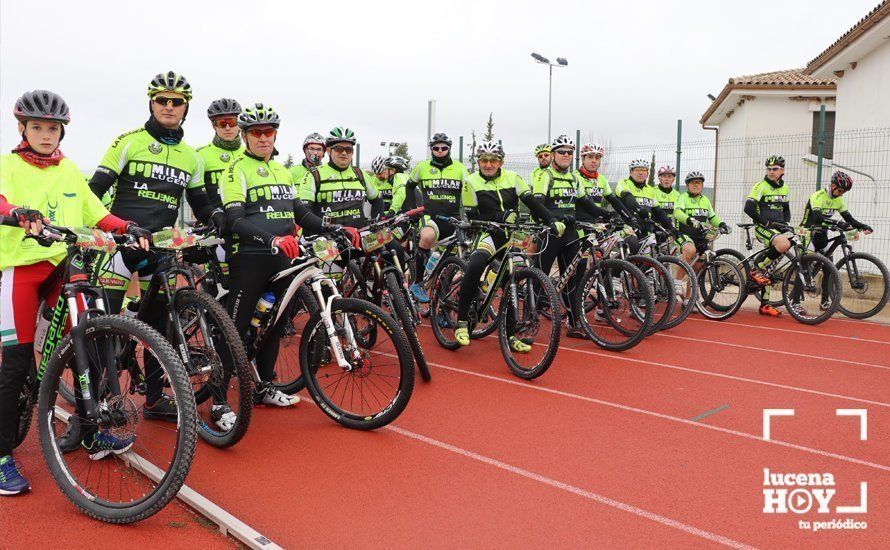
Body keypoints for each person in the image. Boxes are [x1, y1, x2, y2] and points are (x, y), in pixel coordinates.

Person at [0, 90, 151, 495]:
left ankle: (90, 430)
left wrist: (126, 228)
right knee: (15, 361)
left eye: (53, 128)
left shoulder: (69, 170)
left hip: (63, 266)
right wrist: (16, 213)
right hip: (21, 268)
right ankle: (1, 457)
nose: (46, 135)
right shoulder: (8, 164)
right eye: (37, 127)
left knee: (91, 339)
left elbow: (96, 213)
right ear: (23, 129)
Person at [88, 71, 218, 420]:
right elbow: (95, 190)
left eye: (177, 102)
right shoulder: (128, 141)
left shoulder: (192, 156)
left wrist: (218, 217)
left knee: (162, 327)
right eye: (162, 100)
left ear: (186, 108)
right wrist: (91, 226)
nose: (169, 106)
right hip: (119, 243)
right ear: (151, 102)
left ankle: (155, 399)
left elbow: (200, 202)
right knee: (104, 325)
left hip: (159, 248)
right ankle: (95, 405)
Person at [221, 103, 327, 409]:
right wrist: (273, 239)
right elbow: (235, 221)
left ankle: (264, 386)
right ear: (244, 135)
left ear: (276, 134)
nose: (263, 137)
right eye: (256, 132)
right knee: (236, 327)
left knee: (275, 324)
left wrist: (334, 227)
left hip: (282, 256)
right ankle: (218, 402)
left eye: (269, 131)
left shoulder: (282, 171)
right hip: (250, 256)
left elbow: (301, 213)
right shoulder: (236, 169)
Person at [453, 142, 561, 349]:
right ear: (478, 162)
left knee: (512, 281)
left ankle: (511, 335)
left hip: (511, 236)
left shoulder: (513, 178)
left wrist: (550, 220)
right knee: (476, 266)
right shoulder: (470, 181)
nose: (488, 164)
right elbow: (474, 215)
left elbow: (533, 202)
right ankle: (462, 321)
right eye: (484, 160)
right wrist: (500, 216)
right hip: (487, 234)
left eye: (493, 160)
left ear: (501, 162)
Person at [532, 135, 609, 338]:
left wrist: (612, 216)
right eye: (561, 152)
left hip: (570, 234)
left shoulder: (574, 178)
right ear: (554, 155)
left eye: (569, 152)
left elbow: (588, 205)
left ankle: (574, 323)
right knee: (539, 278)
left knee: (574, 281)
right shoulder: (545, 175)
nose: (566, 155)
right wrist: (551, 219)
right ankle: (526, 322)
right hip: (550, 233)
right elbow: (537, 204)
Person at [405, 133, 469, 303]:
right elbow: (409, 186)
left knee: (449, 266)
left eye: (444, 148)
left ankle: (441, 307)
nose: (440, 151)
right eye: (436, 148)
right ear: (431, 149)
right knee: (426, 238)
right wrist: (413, 209)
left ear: (449, 149)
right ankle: (418, 282)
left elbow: (470, 191)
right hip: (430, 216)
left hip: (454, 218)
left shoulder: (460, 168)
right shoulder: (422, 167)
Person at [801, 170, 873, 309]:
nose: (841, 194)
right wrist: (837, 223)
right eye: (840, 190)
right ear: (833, 186)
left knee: (829, 267)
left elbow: (849, 219)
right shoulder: (818, 196)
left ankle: (825, 301)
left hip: (822, 236)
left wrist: (863, 226)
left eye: (843, 192)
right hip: (808, 234)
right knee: (803, 271)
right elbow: (817, 218)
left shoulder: (838, 200)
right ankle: (795, 302)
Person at [744, 155, 792, 317]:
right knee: (783, 245)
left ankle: (765, 304)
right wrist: (765, 223)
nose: (771, 172)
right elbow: (748, 208)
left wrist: (786, 224)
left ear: (782, 171)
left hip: (778, 229)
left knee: (786, 247)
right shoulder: (761, 186)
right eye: (769, 169)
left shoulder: (785, 188)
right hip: (762, 228)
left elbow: (786, 210)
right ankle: (756, 269)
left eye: (775, 169)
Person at [673, 171, 731, 287]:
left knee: (697, 270)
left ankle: (689, 300)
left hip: (700, 236)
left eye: (698, 183)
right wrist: (690, 220)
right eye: (693, 182)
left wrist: (722, 224)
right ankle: (677, 282)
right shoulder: (682, 197)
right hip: (684, 234)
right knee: (690, 251)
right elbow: (677, 212)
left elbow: (712, 217)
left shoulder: (705, 200)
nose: (696, 185)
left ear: (702, 185)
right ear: (687, 185)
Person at [196, 98, 244, 215]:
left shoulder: (249, 153)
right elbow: (195, 195)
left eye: (232, 122)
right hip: (216, 222)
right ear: (214, 126)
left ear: (239, 124)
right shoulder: (200, 154)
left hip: (247, 222)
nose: (228, 128)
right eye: (222, 123)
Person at [573, 143, 631, 222]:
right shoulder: (575, 177)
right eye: (590, 157)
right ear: (583, 159)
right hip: (580, 220)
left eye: (597, 158)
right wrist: (610, 215)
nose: (594, 161)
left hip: (599, 218)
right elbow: (587, 205)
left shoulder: (602, 179)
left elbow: (614, 201)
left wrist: (630, 219)